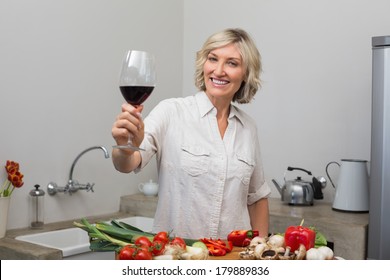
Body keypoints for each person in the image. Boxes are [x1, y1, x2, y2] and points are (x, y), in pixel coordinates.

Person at [111, 28, 271, 239]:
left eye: (232, 63)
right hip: (179, 258)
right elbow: (128, 163)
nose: (219, 70)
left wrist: (261, 252)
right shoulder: (171, 112)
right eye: (213, 59)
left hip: (233, 257)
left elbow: (257, 198)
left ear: (245, 74)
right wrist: (124, 145)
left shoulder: (248, 128)